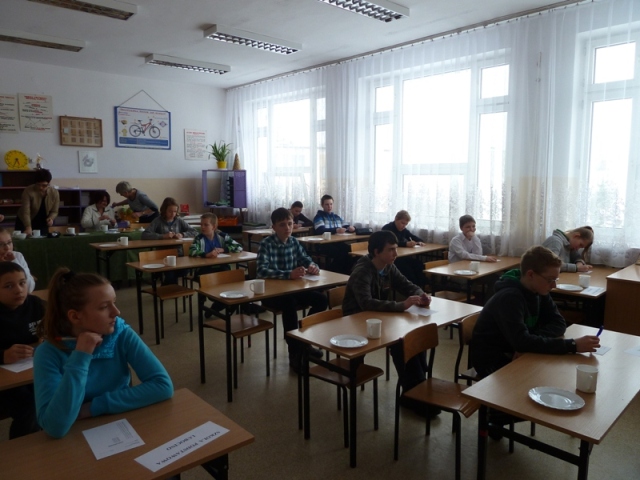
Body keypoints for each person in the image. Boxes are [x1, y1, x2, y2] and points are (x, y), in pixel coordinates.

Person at [34, 268, 173, 438]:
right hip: (74, 433)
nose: (116, 312)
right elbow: (54, 427)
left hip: (119, 422)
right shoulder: (47, 353)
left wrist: (94, 407)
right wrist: (81, 356)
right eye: (104, 307)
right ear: (75, 317)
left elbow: (163, 385)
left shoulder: (120, 332)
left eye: (114, 302)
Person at [470, 246, 600, 378]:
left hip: (517, 351)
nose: (554, 285)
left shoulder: (539, 290)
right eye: (550, 280)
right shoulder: (509, 298)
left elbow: (559, 323)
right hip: (492, 360)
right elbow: (522, 342)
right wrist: (573, 345)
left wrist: (530, 341)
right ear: (531, 274)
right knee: (542, 378)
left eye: (556, 280)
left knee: (553, 374)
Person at [342, 230, 432, 401]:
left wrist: (421, 295)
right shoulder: (362, 270)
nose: (395, 254)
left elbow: (407, 285)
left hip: (379, 316)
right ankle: (413, 395)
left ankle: (416, 391)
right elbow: (366, 303)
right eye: (391, 249)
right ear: (376, 252)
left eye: (396, 248)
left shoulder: (388, 266)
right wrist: (401, 305)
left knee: (413, 336)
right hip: (357, 320)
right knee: (401, 343)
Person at [257, 207, 328, 372]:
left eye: (289, 223)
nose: (287, 228)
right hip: (272, 293)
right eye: (282, 225)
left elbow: (306, 259)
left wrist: (313, 266)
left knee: (321, 300)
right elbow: (261, 271)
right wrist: (288, 274)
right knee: (289, 304)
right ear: (273, 227)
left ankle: (304, 340)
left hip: (293, 289)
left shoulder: (294, 242)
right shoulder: (266, 244)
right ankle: (294, 351)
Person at [0, 262, 44, 439]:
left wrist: (48, 336)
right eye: (8, 286)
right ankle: (25, 447)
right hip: (7, 379)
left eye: (22, 283)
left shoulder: (35, 304)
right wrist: (3, 355)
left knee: (53, 391)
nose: (19, 290)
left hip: (32, 368)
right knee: (30, 406)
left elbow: (54, 327)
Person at [382, 210, 427, 286]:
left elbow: (412, 236)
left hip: (401, 256)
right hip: (392, 258)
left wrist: (419, 241)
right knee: (408, 270)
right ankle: (413, 287)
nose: (404, 226)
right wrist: (406, 244)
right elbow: (390, 243)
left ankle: (422, 287)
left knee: (419, 264)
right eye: (402, 223)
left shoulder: (403, 230)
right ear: (396, 219)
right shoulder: (387, 229)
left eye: (406, 224)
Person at [313, 195, 355, 274]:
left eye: (331, 204)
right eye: (327, 204)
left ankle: (345, 273)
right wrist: (336, 230)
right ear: (322, 205)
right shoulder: (318, 217)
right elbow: (320, 230)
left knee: (350, 250)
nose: (329, 206)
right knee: (341, 253)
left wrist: (351, 228)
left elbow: (345, 225)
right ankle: (332, 271)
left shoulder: (336, 217)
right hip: (323, 244)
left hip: (336, 242)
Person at [15, 168, 59, 236]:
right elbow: (26, 212)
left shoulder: (54, 193)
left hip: (42, 222)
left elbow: (54, 211)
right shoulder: (28, 191)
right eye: (38, 184)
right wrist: (28, 227)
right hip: (25, 221)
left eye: (44, 185)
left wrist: (51, 218)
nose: (41, 187)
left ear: (49, 183)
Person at [0, 228, 35, 293]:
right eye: (0, 244)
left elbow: (30, 287)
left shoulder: (18, 256)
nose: (7, 247)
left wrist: (14, 263)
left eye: (9, 242)